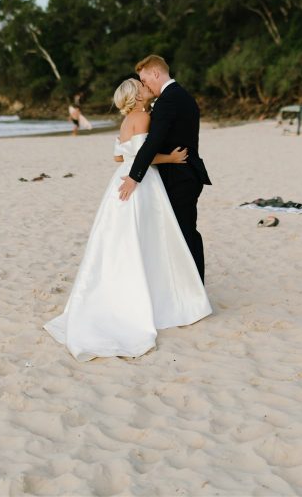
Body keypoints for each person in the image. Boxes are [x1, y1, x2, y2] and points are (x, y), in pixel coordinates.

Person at [44, 78, 211, 360]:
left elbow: (119, 158)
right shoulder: (144, 117)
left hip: (119, 183)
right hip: (141, 184)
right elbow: (142, 157)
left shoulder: (126, 121)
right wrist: (169, 159)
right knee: (148, 238)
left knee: (123, 240)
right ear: (137, 95)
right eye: (141, 86)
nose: (147, 86)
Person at [118, 54, 211, 283]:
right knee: (180, 233)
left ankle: (195, 287)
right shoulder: (179, 95)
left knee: (185, 234)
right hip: (180, 174)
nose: (144, 84)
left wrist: (134, 176)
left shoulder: (170, 99)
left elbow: (152, 142)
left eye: (144, 79)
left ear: (155, 74)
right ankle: (185, 285)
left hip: (180, 176)